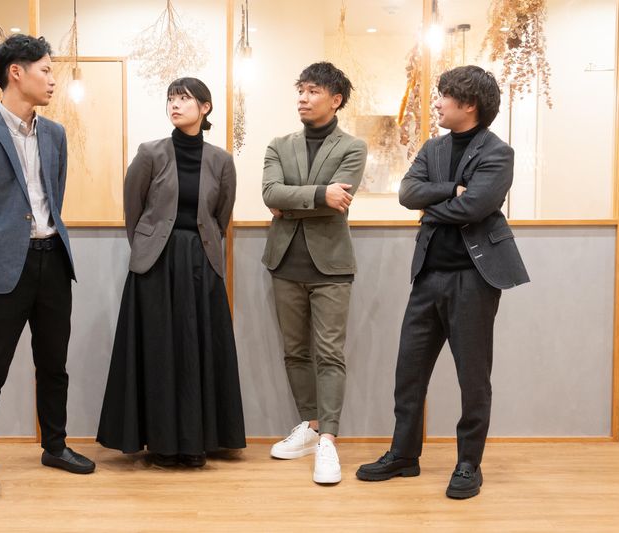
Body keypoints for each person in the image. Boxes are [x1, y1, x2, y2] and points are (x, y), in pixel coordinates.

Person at [356, 65, 530, 499]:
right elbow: (407, 193)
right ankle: (403, 455)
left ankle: (469, 464)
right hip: (428, 276)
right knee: (409, 372)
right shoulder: (433, 148)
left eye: (444, 96)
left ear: (468, 104)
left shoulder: (498, 152)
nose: (437, 102)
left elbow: (476, 207)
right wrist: (452, 189)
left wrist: (434, 206)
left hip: (474, 278)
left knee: (473, 378)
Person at [0, 34, 95, 500]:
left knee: (54, 364)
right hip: (3, 269)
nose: (52, 79)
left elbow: (53, 197)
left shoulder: (55, 134)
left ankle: (55, 446)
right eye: (45, 70)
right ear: (16, 73)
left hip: (53, 260)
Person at [97, 77, 245, 467]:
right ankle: (162, 443)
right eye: (171, 99)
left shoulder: (221, 161)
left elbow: (221, 216)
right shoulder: (150, 153)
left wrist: (199, 246)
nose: (175, 105)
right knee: (158, 349)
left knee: (196, 350)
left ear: (205, 107)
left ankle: (197, 442)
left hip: (200, 263)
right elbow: (133, 210)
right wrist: (148, 248)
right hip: (156, 265)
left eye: (184, 98)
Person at [261, 62, 367, 484]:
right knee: (295, 352)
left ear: (335, 99)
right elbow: (270, 192)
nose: (303, 99)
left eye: (313, 91)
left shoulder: (352, 147)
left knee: (329, 353)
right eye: (300, 90)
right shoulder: (278, 145)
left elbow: (339, 202)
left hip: (332, 267)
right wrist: (321, 194)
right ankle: (309, 425)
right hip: (284, 262)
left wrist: (291, 204)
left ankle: (328, 440)